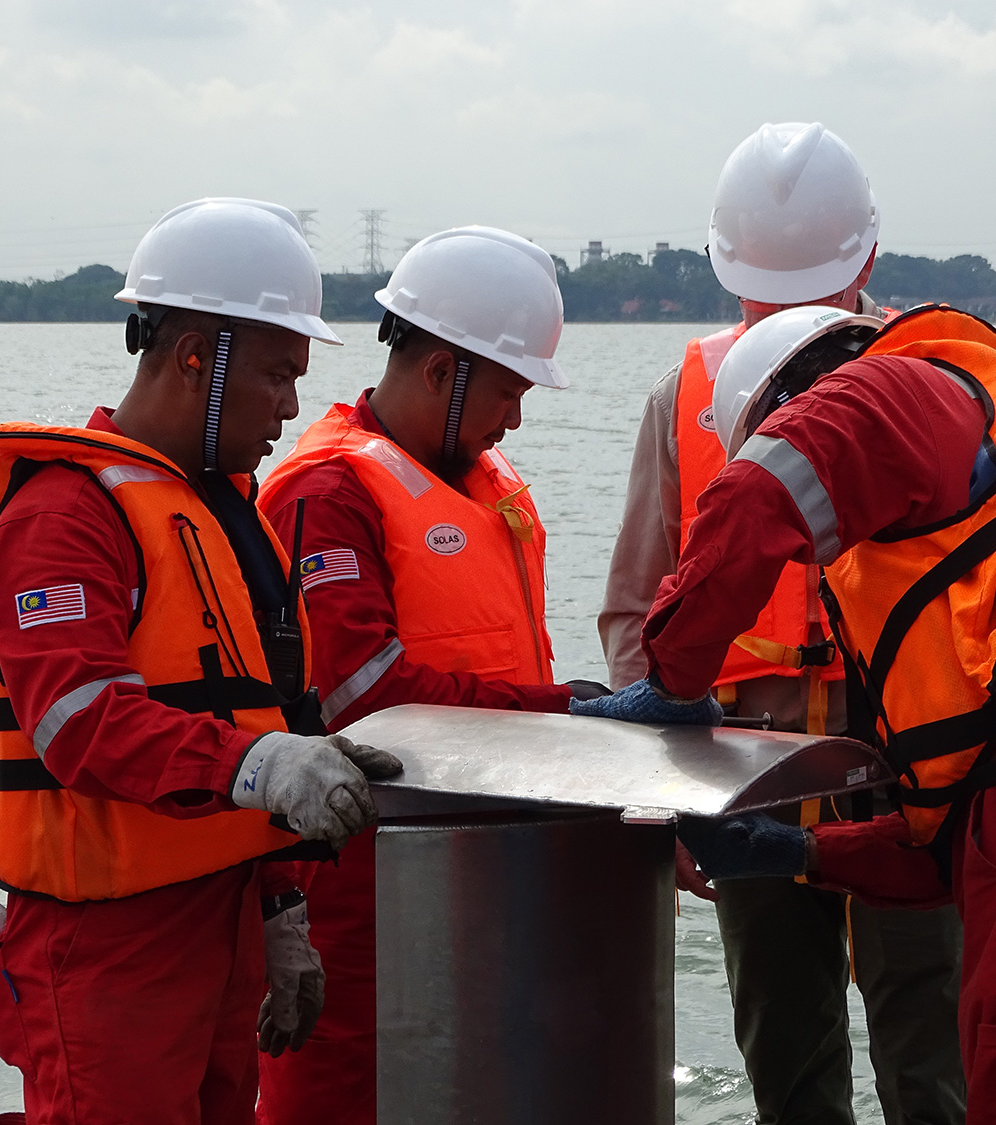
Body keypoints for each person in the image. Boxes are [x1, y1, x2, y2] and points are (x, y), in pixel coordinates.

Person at [0, 197, 403, 1124]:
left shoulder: (228, 513)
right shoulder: (65, 512)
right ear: (194, 357)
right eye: (276, 374)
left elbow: (258, 714)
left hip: (220, 920)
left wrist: (281, 907)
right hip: (102, 941)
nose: (291, 406)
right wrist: (265, 765)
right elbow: (80, 723)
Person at [576, 301, 996, 1124]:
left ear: (794, 400)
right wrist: (798, 851)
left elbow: (758, 491)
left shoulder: (895, 385)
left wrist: (673, 679)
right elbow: (940, 849)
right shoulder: (971, 521)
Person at [596, 122, 964, 1124]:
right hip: (756, 766)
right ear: (870, 254)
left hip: (887, 759)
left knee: (916, 1052)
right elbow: (636, 604)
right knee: (811, 1058)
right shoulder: (689, 396)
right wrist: (661, 794)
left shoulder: (925, 381)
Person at [254, 226, 604, 1125]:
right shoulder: (328, 493)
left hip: (482, 873)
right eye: (508, 391)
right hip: (364, 884)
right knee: (339, 1100)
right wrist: (570, 714)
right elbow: (360, 698)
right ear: (444, 370)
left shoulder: (473, 477)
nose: (514, 420)